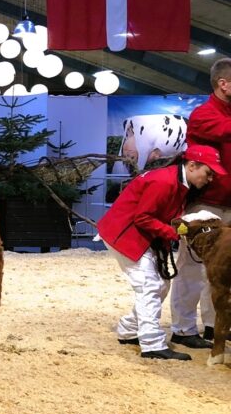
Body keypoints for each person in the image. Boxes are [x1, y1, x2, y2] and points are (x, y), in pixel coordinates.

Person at [98, 145, 226, 360]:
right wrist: (175, 233)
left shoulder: (175, 181)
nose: (210, 178)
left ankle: (128, 330)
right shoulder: (164, 181)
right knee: (149, 286)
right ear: (192, 166)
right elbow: (143, 217)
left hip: (133, 234)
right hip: (125, 235)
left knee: (161, 285)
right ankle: (152, 344)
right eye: (209, 172)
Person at [170, 58, 231, 347]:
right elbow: (225, 131)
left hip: (228, 204)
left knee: (223, 269)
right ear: (223, 84)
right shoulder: (204, 115)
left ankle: (212, 325)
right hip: (205, 205)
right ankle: (183, 329)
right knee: (192, 267)